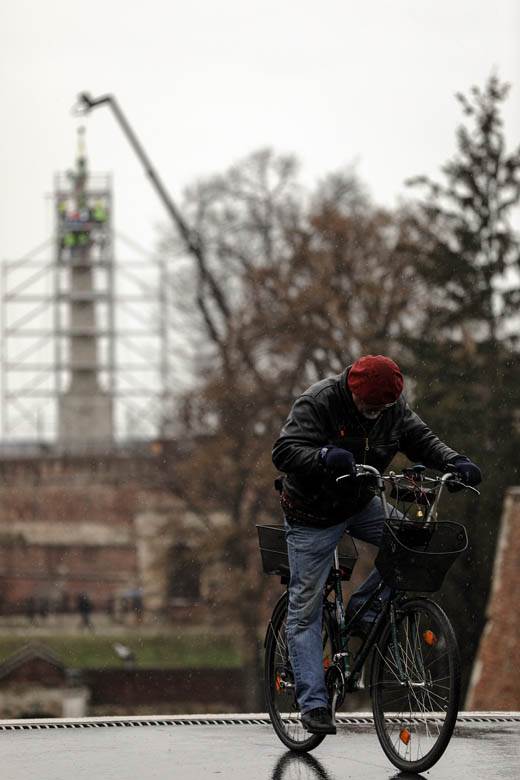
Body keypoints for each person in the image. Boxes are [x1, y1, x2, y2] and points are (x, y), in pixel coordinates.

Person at [272, 355, 481, 735]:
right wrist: (322, 456)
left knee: (414, 547)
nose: (374, 413)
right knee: (305, 607)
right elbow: (284, 451)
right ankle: (314, 705)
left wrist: (454, 460)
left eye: (382, 407)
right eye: (369, 406)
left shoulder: (392, 408)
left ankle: (366, 612)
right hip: (312, 514)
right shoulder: (318, 402)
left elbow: (420, 439)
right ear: (352, 390)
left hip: (360, 501)